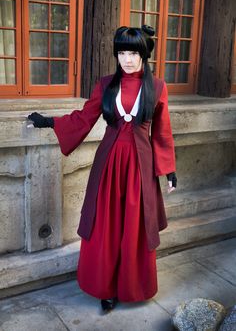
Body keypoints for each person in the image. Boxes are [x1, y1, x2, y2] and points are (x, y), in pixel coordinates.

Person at [28, 25, 177, 312]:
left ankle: (130, 286)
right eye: (122, 52)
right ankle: (105, 289)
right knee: (106, 226)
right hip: (108, 164)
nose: (127, 59)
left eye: (133, 52)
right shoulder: (106, 83)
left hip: (140, 167)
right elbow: (84, 118)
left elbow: (162, 132)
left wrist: (169, 170)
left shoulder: (157, 87)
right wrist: (48, 122)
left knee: (134, 226)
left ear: (144, 55)